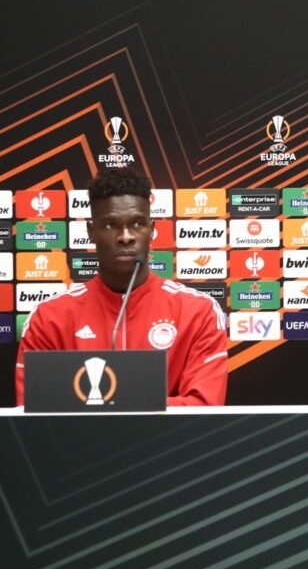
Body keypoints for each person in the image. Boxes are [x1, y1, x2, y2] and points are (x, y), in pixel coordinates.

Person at [16, 167, 228, 406]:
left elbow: (203, 408)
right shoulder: (49, 317)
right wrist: (127, 406)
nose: (126, 236)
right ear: (91, 232)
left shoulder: (198, 312)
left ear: (152, 229)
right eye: (110, 225)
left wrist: (110, 405)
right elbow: (34, 411)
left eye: (138, 223)